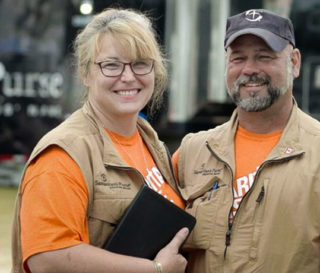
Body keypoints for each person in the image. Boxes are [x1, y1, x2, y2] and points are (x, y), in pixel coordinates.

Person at [11, 8, 189, 273]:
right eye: (111, 65)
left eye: (140, 63)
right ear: (85, 73)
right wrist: (156, 269)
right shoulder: (63, 155)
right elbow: (47, 259)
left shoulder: (150, 142)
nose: (128, 76)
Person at [172, 9, 320, 273]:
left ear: (295, 63)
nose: (250, 69)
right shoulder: (191, 152)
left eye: (264, 57)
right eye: (238, 58)